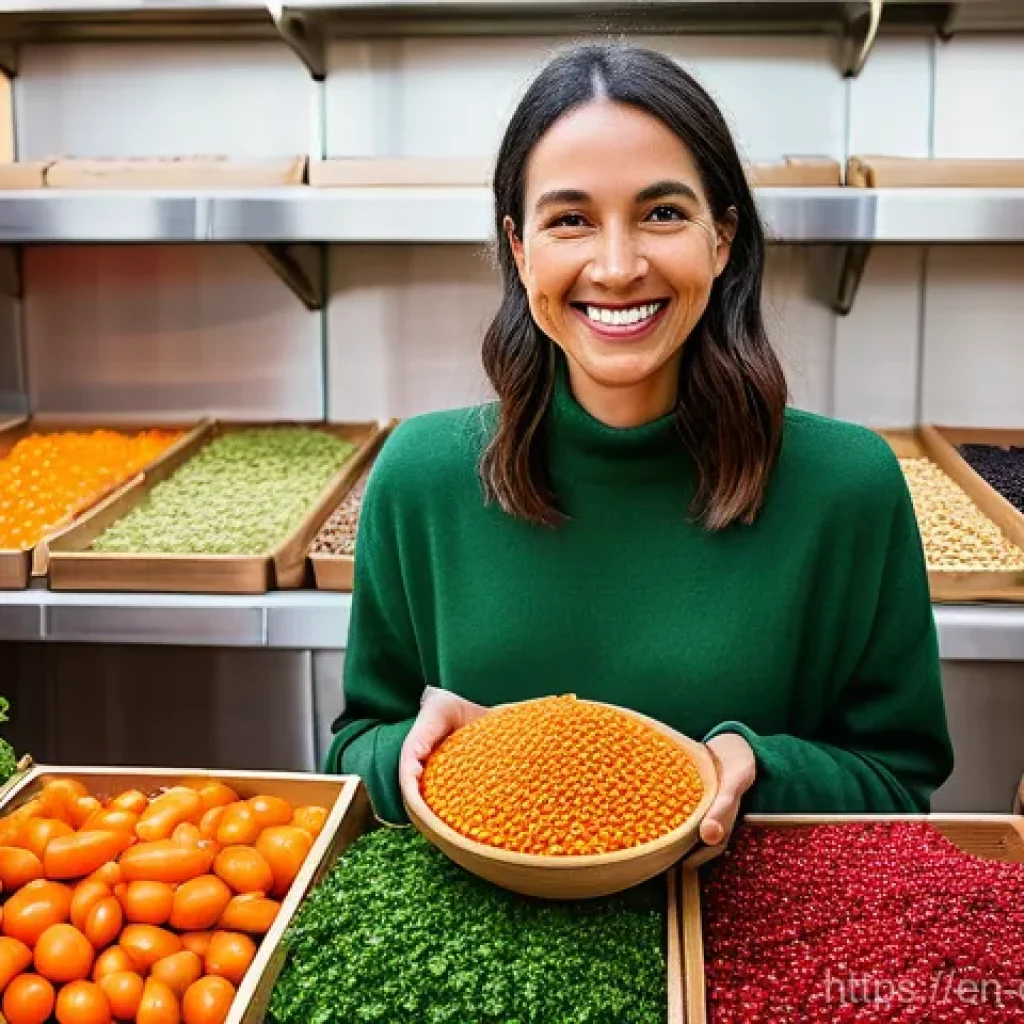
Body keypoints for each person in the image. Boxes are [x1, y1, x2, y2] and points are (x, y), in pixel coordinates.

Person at [326, 43, 953, 852]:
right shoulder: (422, 477)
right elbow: (350, 750)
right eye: (570, 219)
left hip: (741, 946)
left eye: (662, 214)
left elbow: (900, 784)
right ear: (520, 250)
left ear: (723, 237)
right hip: (490, 946)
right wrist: (424, 754)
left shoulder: (848, 487)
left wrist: (753, 766)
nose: (617, 266)